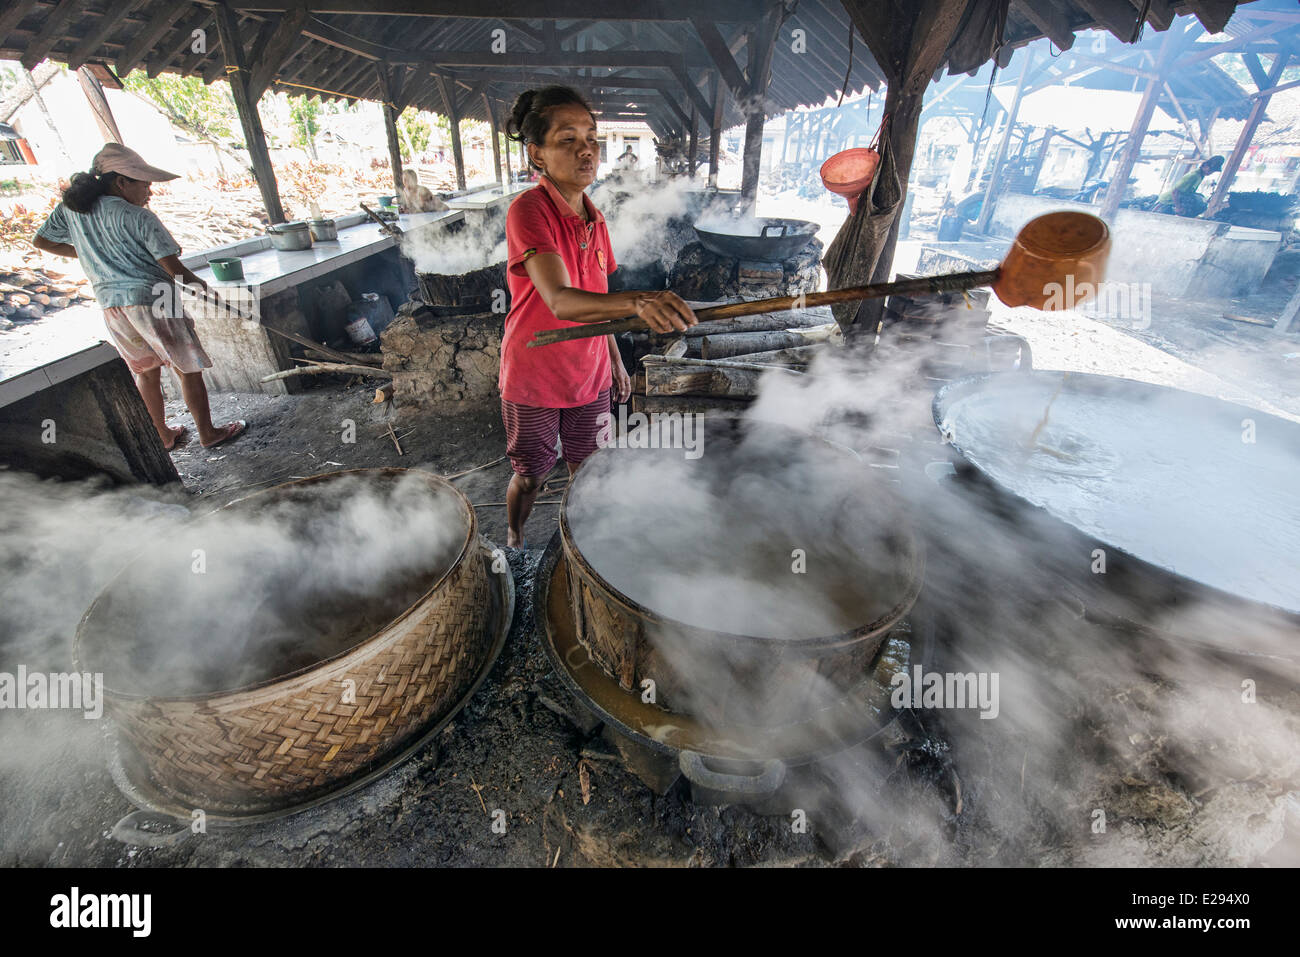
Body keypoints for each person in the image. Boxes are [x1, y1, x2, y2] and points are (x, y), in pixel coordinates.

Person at [499, 85, 696, 548]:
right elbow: (562, 301)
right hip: (535, 374)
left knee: (588, 471)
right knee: (531, 476)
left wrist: (615, 359)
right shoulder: (528, 211)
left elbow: (595, 295)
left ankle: (583, 543)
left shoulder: (596, 219)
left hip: (588, 374)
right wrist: (638, 303)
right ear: (537, 154)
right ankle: (514, 533)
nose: (586, 149)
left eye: (590, 136)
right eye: (567, 139)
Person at [32, 143, 245, 450]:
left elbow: (42, 240)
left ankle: (163, 434)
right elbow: (175, 270)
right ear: (121, 182)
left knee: (146, 371)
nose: (150, 191)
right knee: (188, 368)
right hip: (155, 298)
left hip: (112, 305)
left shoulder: (72, 211)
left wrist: (92, 254)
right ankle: (208, 433)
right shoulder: (140, 218)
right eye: (144, 184)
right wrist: (205, 289)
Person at [1153, 155, 1224, 217]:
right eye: (1210, 169)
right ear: (1205, 165)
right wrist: (1178, 207)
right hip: (1167, 202)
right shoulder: (1194, 176)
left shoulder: (1200, 176)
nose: (1211, 172)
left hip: (1175, 203)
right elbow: (1175, 192)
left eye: (1213, 171)